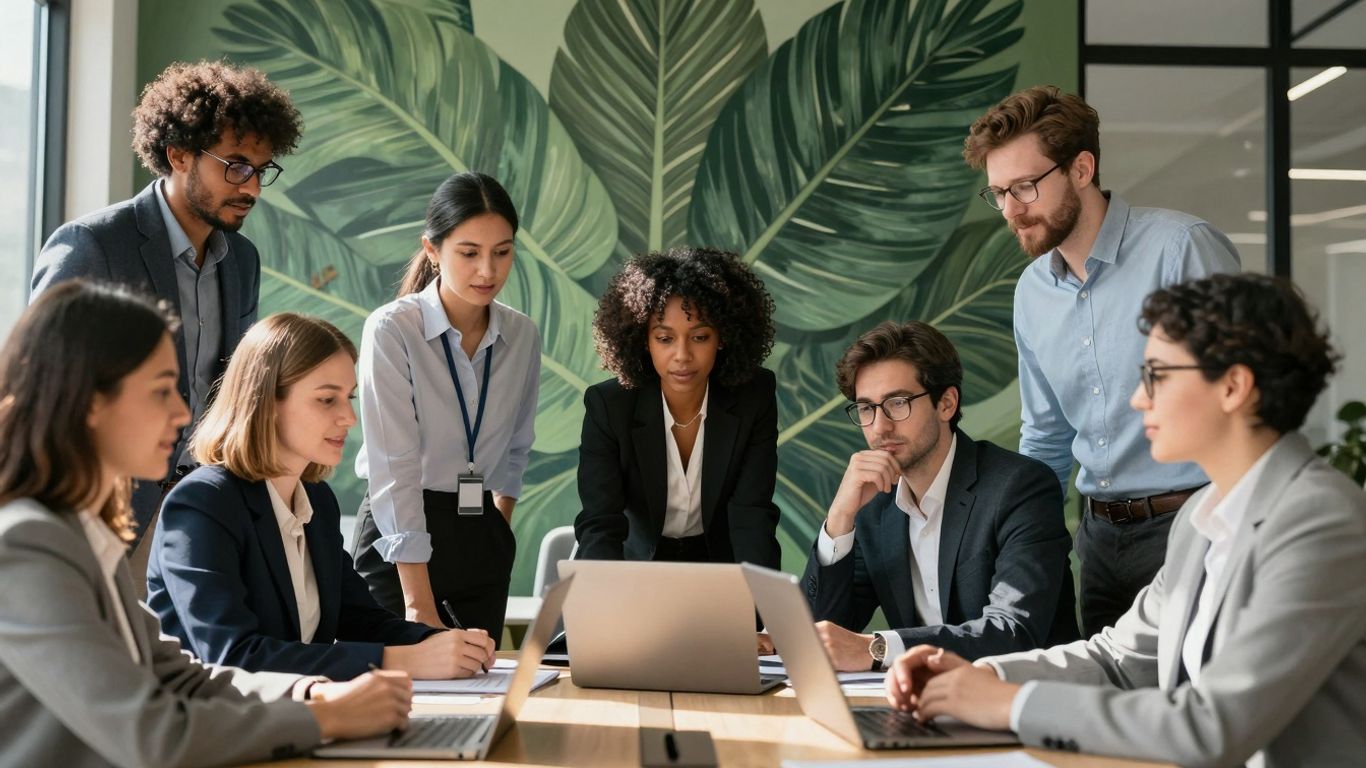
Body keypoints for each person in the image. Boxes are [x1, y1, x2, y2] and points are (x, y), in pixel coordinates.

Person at [885, 273, 1365, 767]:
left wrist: (1010, 704)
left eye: (1156, 374)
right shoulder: (1201, 516)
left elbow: (1211, 726)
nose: (1138, 399)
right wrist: (980, 676)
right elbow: (1116, 660)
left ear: (1233, 386)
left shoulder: (1321, 521)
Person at [0, 281, 411, 767]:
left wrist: (312, 694)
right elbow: (154, 735)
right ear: (90, 401)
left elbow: (183, 677)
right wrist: (326, 720)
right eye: (160, 391)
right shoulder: (26, 544)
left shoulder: (83, 533)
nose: (180, 413)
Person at [963, 85, 1242, 636]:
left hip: (1195, 525)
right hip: (1099, 542)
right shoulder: (1031, 292)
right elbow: (1045, 439)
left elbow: (1241, 398)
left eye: (1025, 186)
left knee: (1194, 709)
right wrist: (1024, 548)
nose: (1011, 211)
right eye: (998, 193)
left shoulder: (1180, 248)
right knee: (1108, 703)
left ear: (1082, 168)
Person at [30, 60, 302, 551]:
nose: (253, 188)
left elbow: (233, 387)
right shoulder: (93, 245)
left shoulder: (242, 259)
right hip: (105, 509)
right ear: (178, 155)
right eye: (236, 166)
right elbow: (41, 385)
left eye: (261, 170)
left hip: (205, 511)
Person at [147, 313, 497, 680]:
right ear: (266, 401)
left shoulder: (317, 501)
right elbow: (232, 656)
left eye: (348, 398)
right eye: (327, 399)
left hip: (295, 721)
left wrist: (445, 644)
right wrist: (403, 662)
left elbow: (361, 620)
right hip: (215, 729)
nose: (349, 417)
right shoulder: (203, 504)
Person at [803, 321, 1077, 672]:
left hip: (1022, 705)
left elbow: (1014, 632)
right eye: (866, 408)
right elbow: (824, 634)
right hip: (918, 707)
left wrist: (880, 648)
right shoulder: (875, 505)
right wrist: (840, 519)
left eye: (897, 403)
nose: (879, 427)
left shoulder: (1020, 488)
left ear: (946, 403)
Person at [352, 172, 540, 646]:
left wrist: (496, 531)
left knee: (480, 688)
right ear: (433, 250)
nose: (488, 271)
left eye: (503, 251)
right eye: (469, 253)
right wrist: (418, 601)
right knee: (404, 694)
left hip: (480, 530)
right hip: (401, 539)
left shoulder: (522, 335)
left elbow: (517, 447)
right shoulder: (393, 330)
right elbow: (394, 468)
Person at [574, 247, 780, 570]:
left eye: (699, 337)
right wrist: (603, 607)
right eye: (665, 338)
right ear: (644, 339)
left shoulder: (755, 397)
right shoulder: (609, 407)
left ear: (722, 337)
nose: (682, 355)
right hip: (635, 570)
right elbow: (601, 522)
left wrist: (761, 613)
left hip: (718, 570)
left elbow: (752, 516)